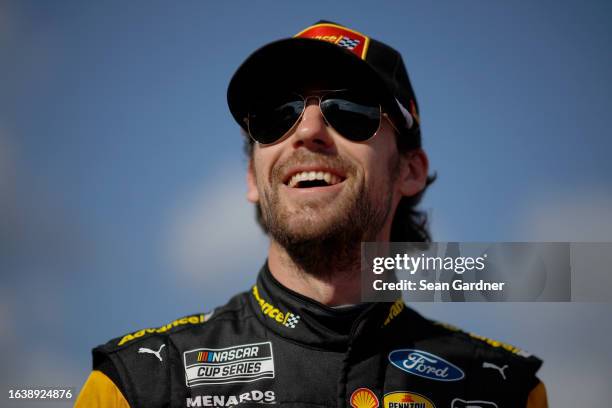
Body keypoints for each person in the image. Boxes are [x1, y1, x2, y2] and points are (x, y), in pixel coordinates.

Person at [75, 21, 548, 408]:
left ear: (410, 170)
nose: (309, 130)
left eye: (350, 110)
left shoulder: (506, 390)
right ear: (251, 177)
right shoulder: (135, 386)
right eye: (277, 115)